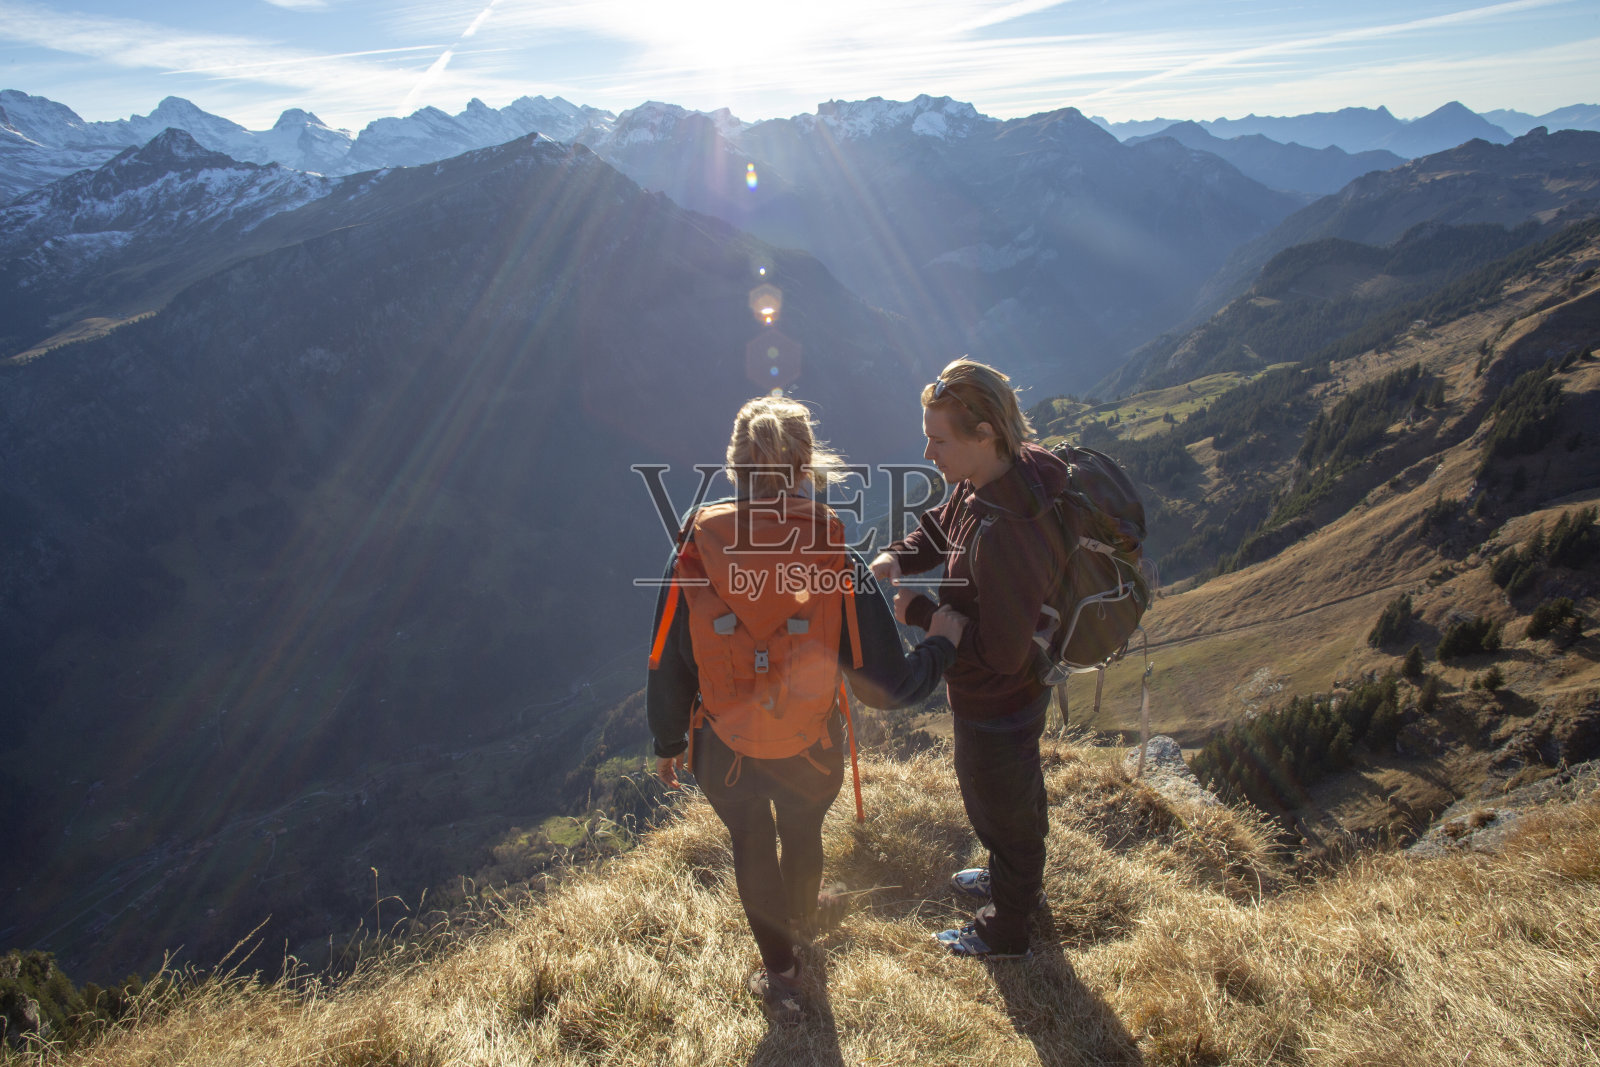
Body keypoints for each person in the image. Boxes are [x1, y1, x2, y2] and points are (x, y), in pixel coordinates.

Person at [648, 395, 968, 1023]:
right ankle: (803, 920)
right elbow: (887, 686)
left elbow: (668, 659)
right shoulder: (837, 557)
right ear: (805, 468)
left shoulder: (692, 551)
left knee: (749, 843)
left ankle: (781, 969)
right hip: (810, 746)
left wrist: (667, 742)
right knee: (801, 831)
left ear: (734, 467)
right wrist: (942, 646)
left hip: (723, 747)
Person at [869, 358, 1070, 960]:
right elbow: (941, 526)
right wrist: (897, 559)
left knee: (999, 804)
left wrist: (922, 616)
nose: (928, 452)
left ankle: (1007, 928)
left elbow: (1003, 655)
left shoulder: (1011, 530)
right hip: (1004, 696)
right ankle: (1014, 879)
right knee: (1010, 797)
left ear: (984, 434)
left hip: (999, 699)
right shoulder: (989, 479)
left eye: (938, 440)